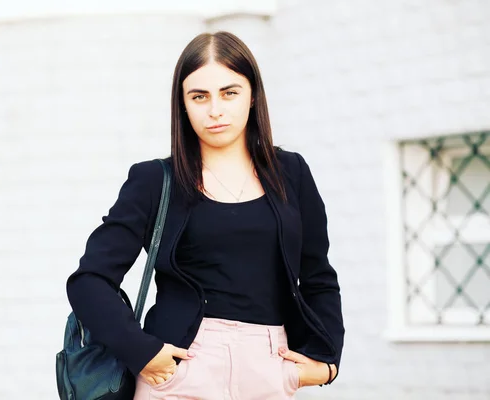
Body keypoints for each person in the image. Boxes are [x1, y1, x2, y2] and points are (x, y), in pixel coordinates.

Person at [66, 31, 344, 399]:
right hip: (179, 369)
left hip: (269, 368)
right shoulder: (153, 180)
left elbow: (318, 275)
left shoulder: (291, 173)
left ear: (253, 96)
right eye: (199, 96)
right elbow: (88, 280)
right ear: (182, 104)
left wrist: (326, 362)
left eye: (230, 93)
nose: (215, 109)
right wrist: (144, 353)